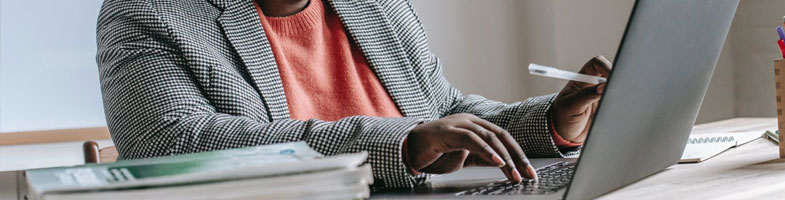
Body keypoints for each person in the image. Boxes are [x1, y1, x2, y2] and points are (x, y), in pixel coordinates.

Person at [96, 0, 611, 188]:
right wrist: (403, 143)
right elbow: (174, 144)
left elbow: (444, 111)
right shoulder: (147, 11)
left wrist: (551, 119)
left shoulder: (373, 4)